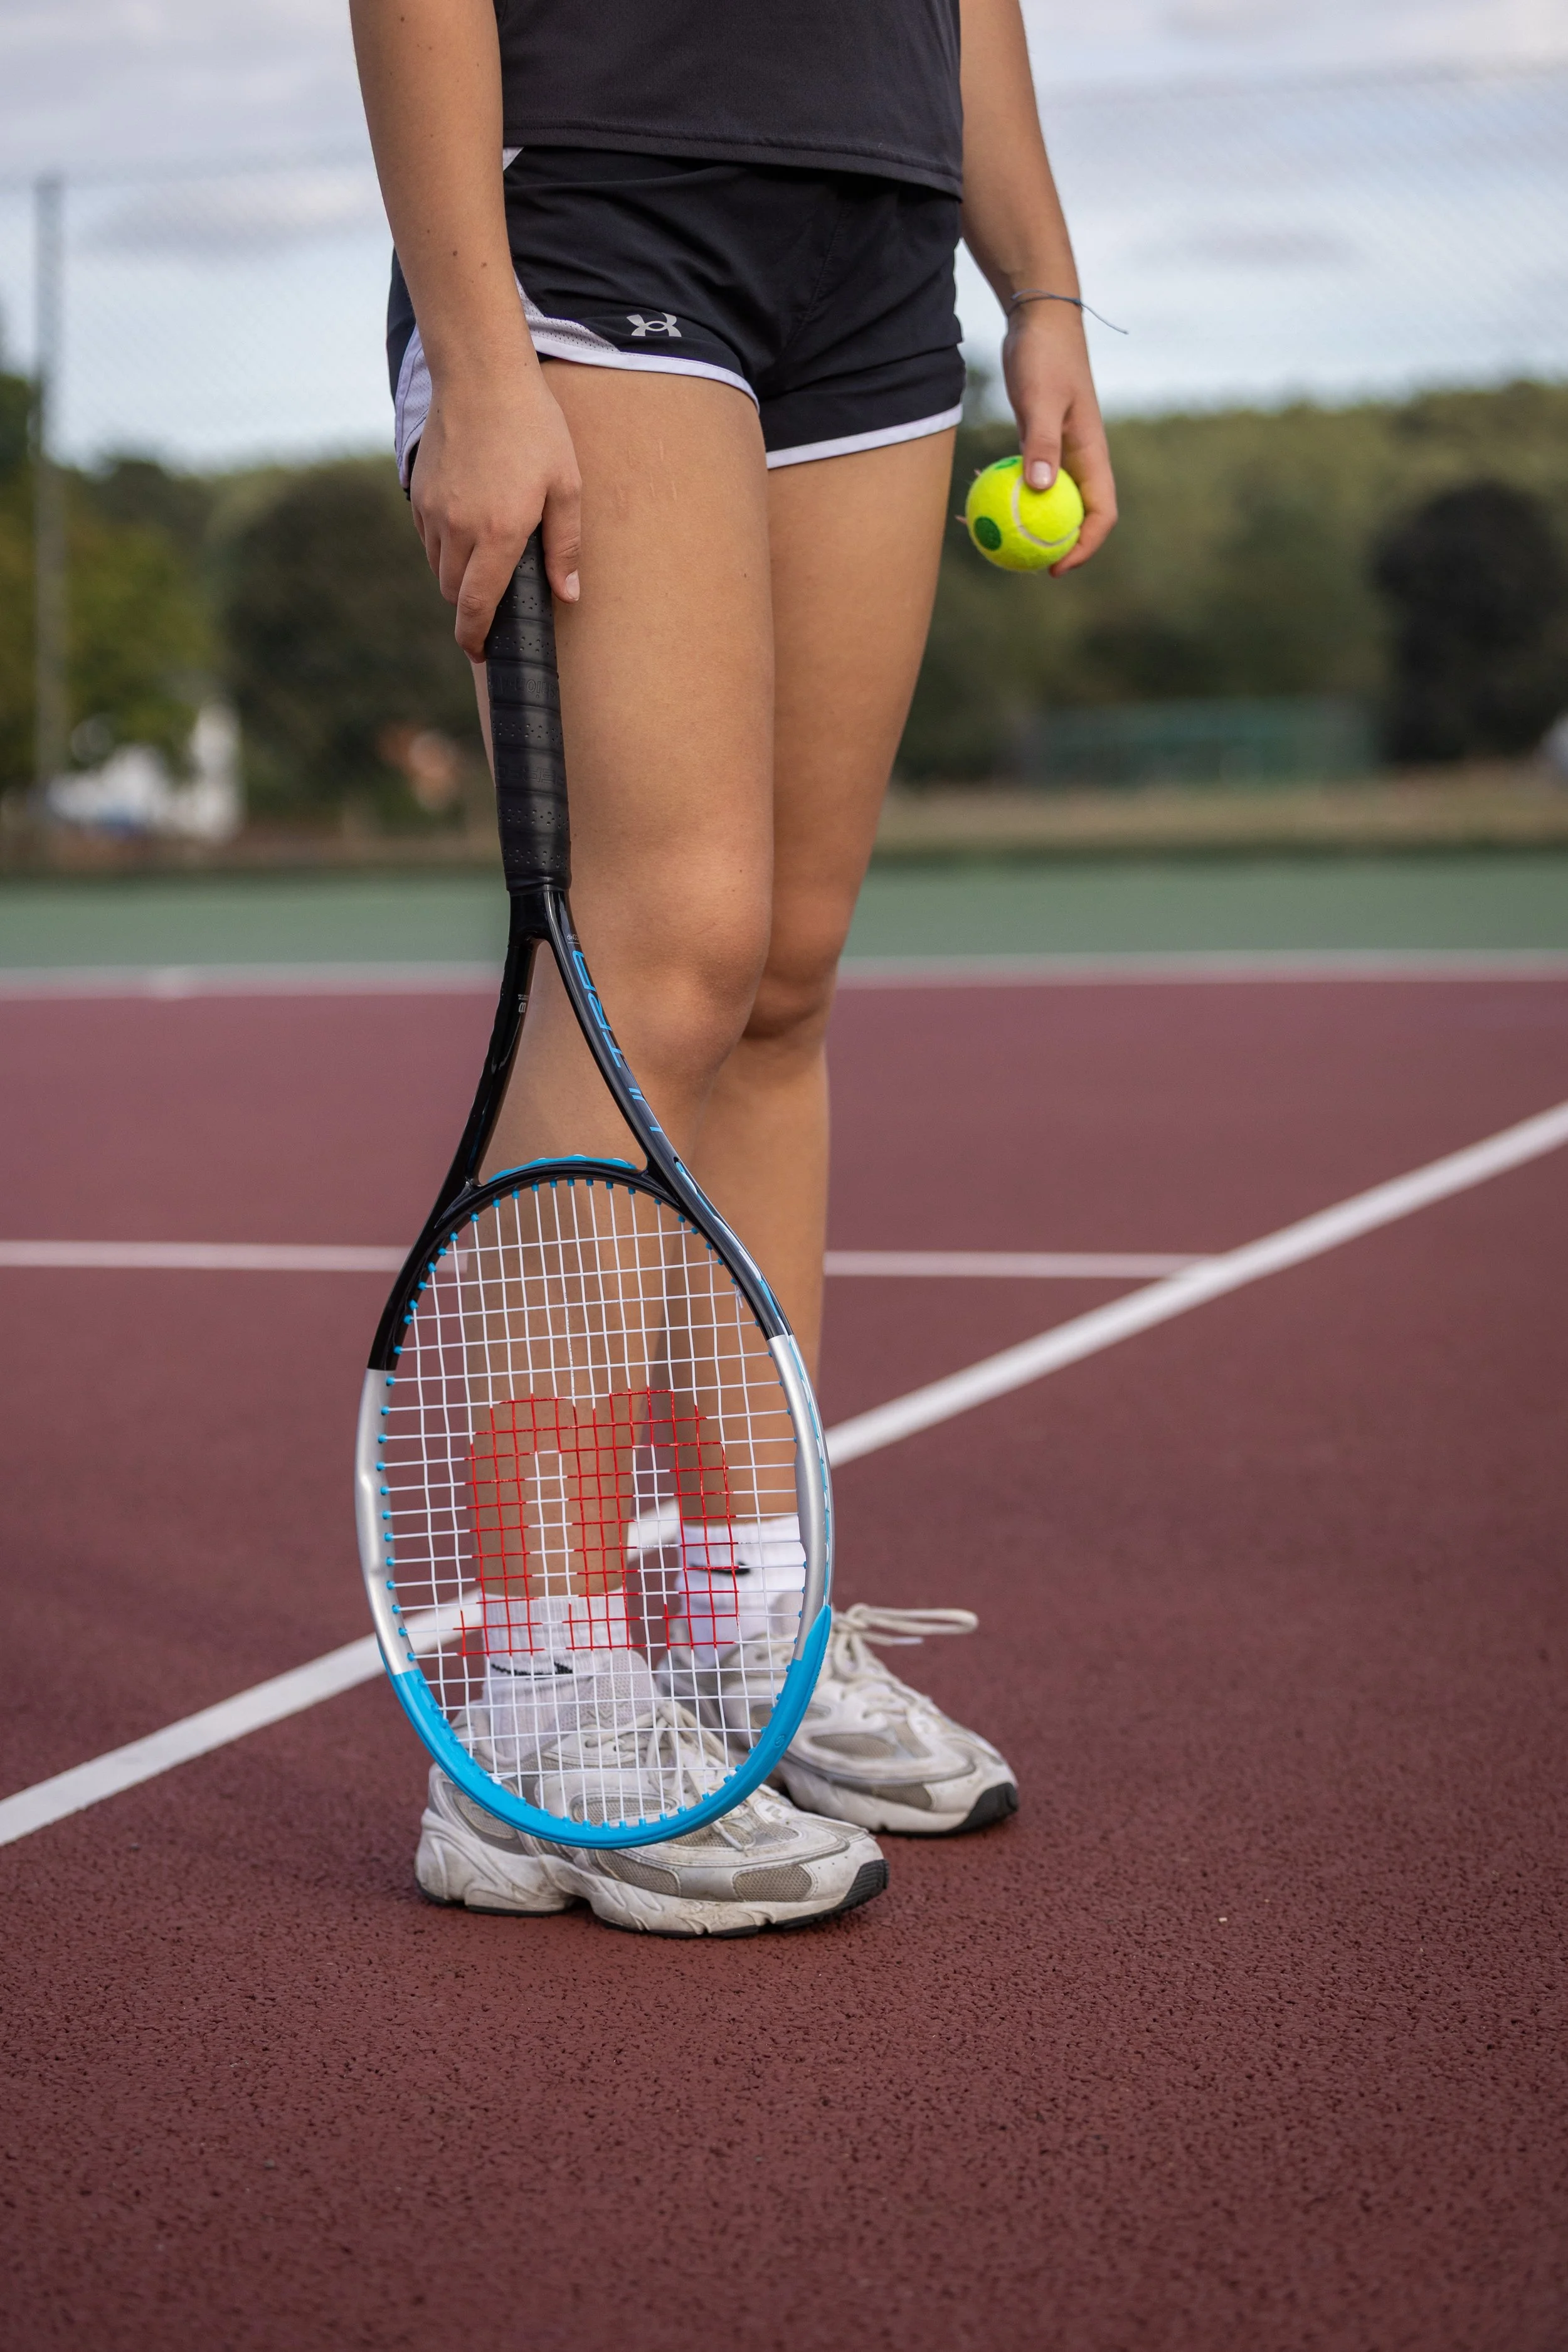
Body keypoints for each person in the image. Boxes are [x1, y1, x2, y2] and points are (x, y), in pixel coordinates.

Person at [350, 0, 1116, 1934]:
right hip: (598, 208)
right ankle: (531, 1698)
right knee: (655, 956)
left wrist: (1040, 287)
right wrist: (474, 342)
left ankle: (734, 1627)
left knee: (779, 968)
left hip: (871, 238)